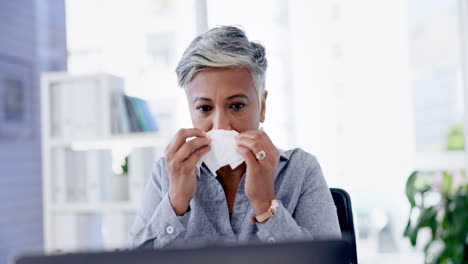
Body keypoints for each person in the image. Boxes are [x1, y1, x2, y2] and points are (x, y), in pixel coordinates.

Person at [128, 26, 341, 249]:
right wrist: (176, 203)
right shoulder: (166, 174)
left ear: (262, 106)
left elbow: (329, 258)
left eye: (237, 105)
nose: (221, 125)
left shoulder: (301, 170)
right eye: (204, 108)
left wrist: (266, 205)